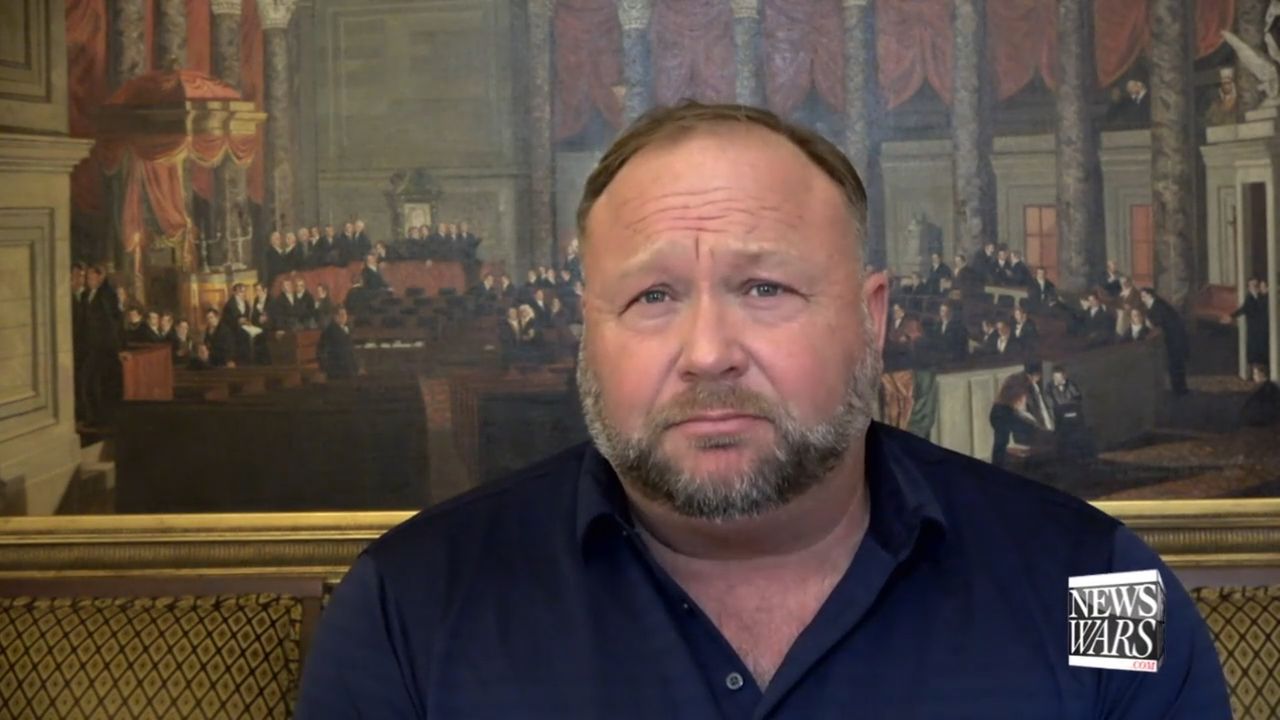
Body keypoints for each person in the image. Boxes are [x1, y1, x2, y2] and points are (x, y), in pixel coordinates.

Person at [298, 101, 1228, 718]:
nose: (709, 352)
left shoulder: (1102, 585)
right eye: (652, 297)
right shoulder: (406, 610)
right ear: (589, 333)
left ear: (872, 321)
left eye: (766, 288)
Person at [1141, 287, 1191, 395]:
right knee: (1174, 365)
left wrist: (1149, 324)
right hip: (1171, 337)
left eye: (1143, 296)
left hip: (1175, 337)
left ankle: (1180, 390)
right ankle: (1179, 389)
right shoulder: (1154, 305)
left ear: (1150, 295)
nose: (1142, 298)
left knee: (1176, 364)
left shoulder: (1158, 306)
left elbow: (1159, 323)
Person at [317, 306, 359, 379]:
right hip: (337, 369)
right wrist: (325, 369)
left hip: (348, 367)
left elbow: (350, 350)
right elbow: (322, 351)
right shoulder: (330, 331)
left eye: (345, 314)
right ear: (335, 317)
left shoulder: (345, 329)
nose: (344, 317)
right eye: (341, 315)